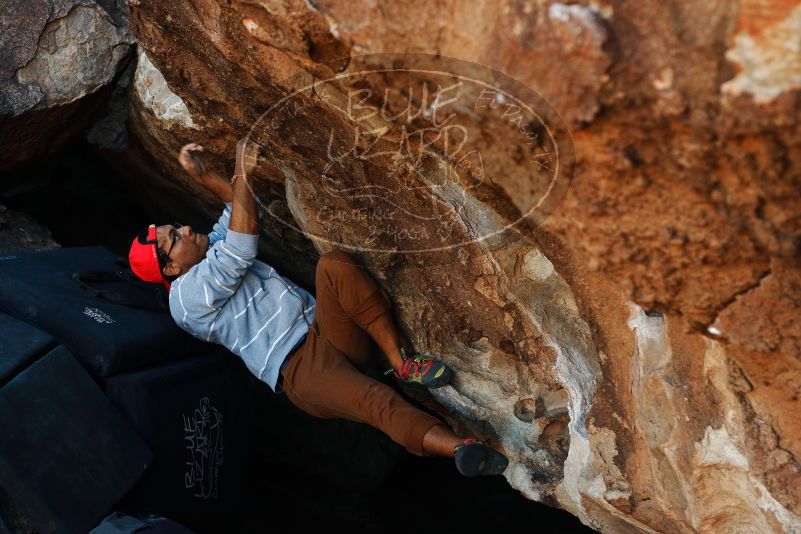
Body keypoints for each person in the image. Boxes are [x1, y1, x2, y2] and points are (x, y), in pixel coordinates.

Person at [127, 140, 508, 477]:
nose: (185, 230)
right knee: (374, 400)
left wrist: (205, 176)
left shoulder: (207, 249)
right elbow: (242, 244)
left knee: (334, 265)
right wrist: (241, 171)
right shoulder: (185, 300)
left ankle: (403, 361)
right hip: (300, 370)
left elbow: (238, 207)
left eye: (176, 227)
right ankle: (461, 448)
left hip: (325, 330)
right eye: (174, 238)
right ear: (171, 269)